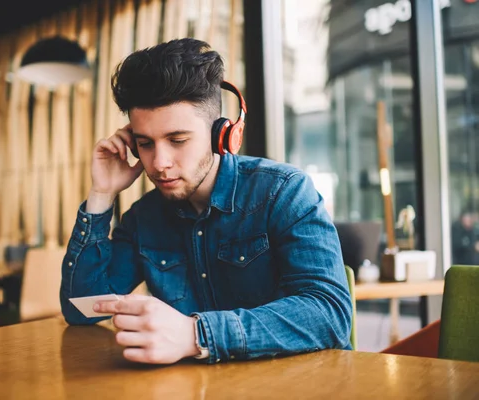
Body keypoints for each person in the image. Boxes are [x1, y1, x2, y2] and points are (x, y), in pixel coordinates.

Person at [60, 38, 352, 365]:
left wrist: (196, 334)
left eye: (178, 140)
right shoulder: (143, 218)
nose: (159, 163)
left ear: (222, 135)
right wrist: (102, 194)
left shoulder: (284, 192)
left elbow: (329, 313)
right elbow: (80, 308)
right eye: (145, 143)